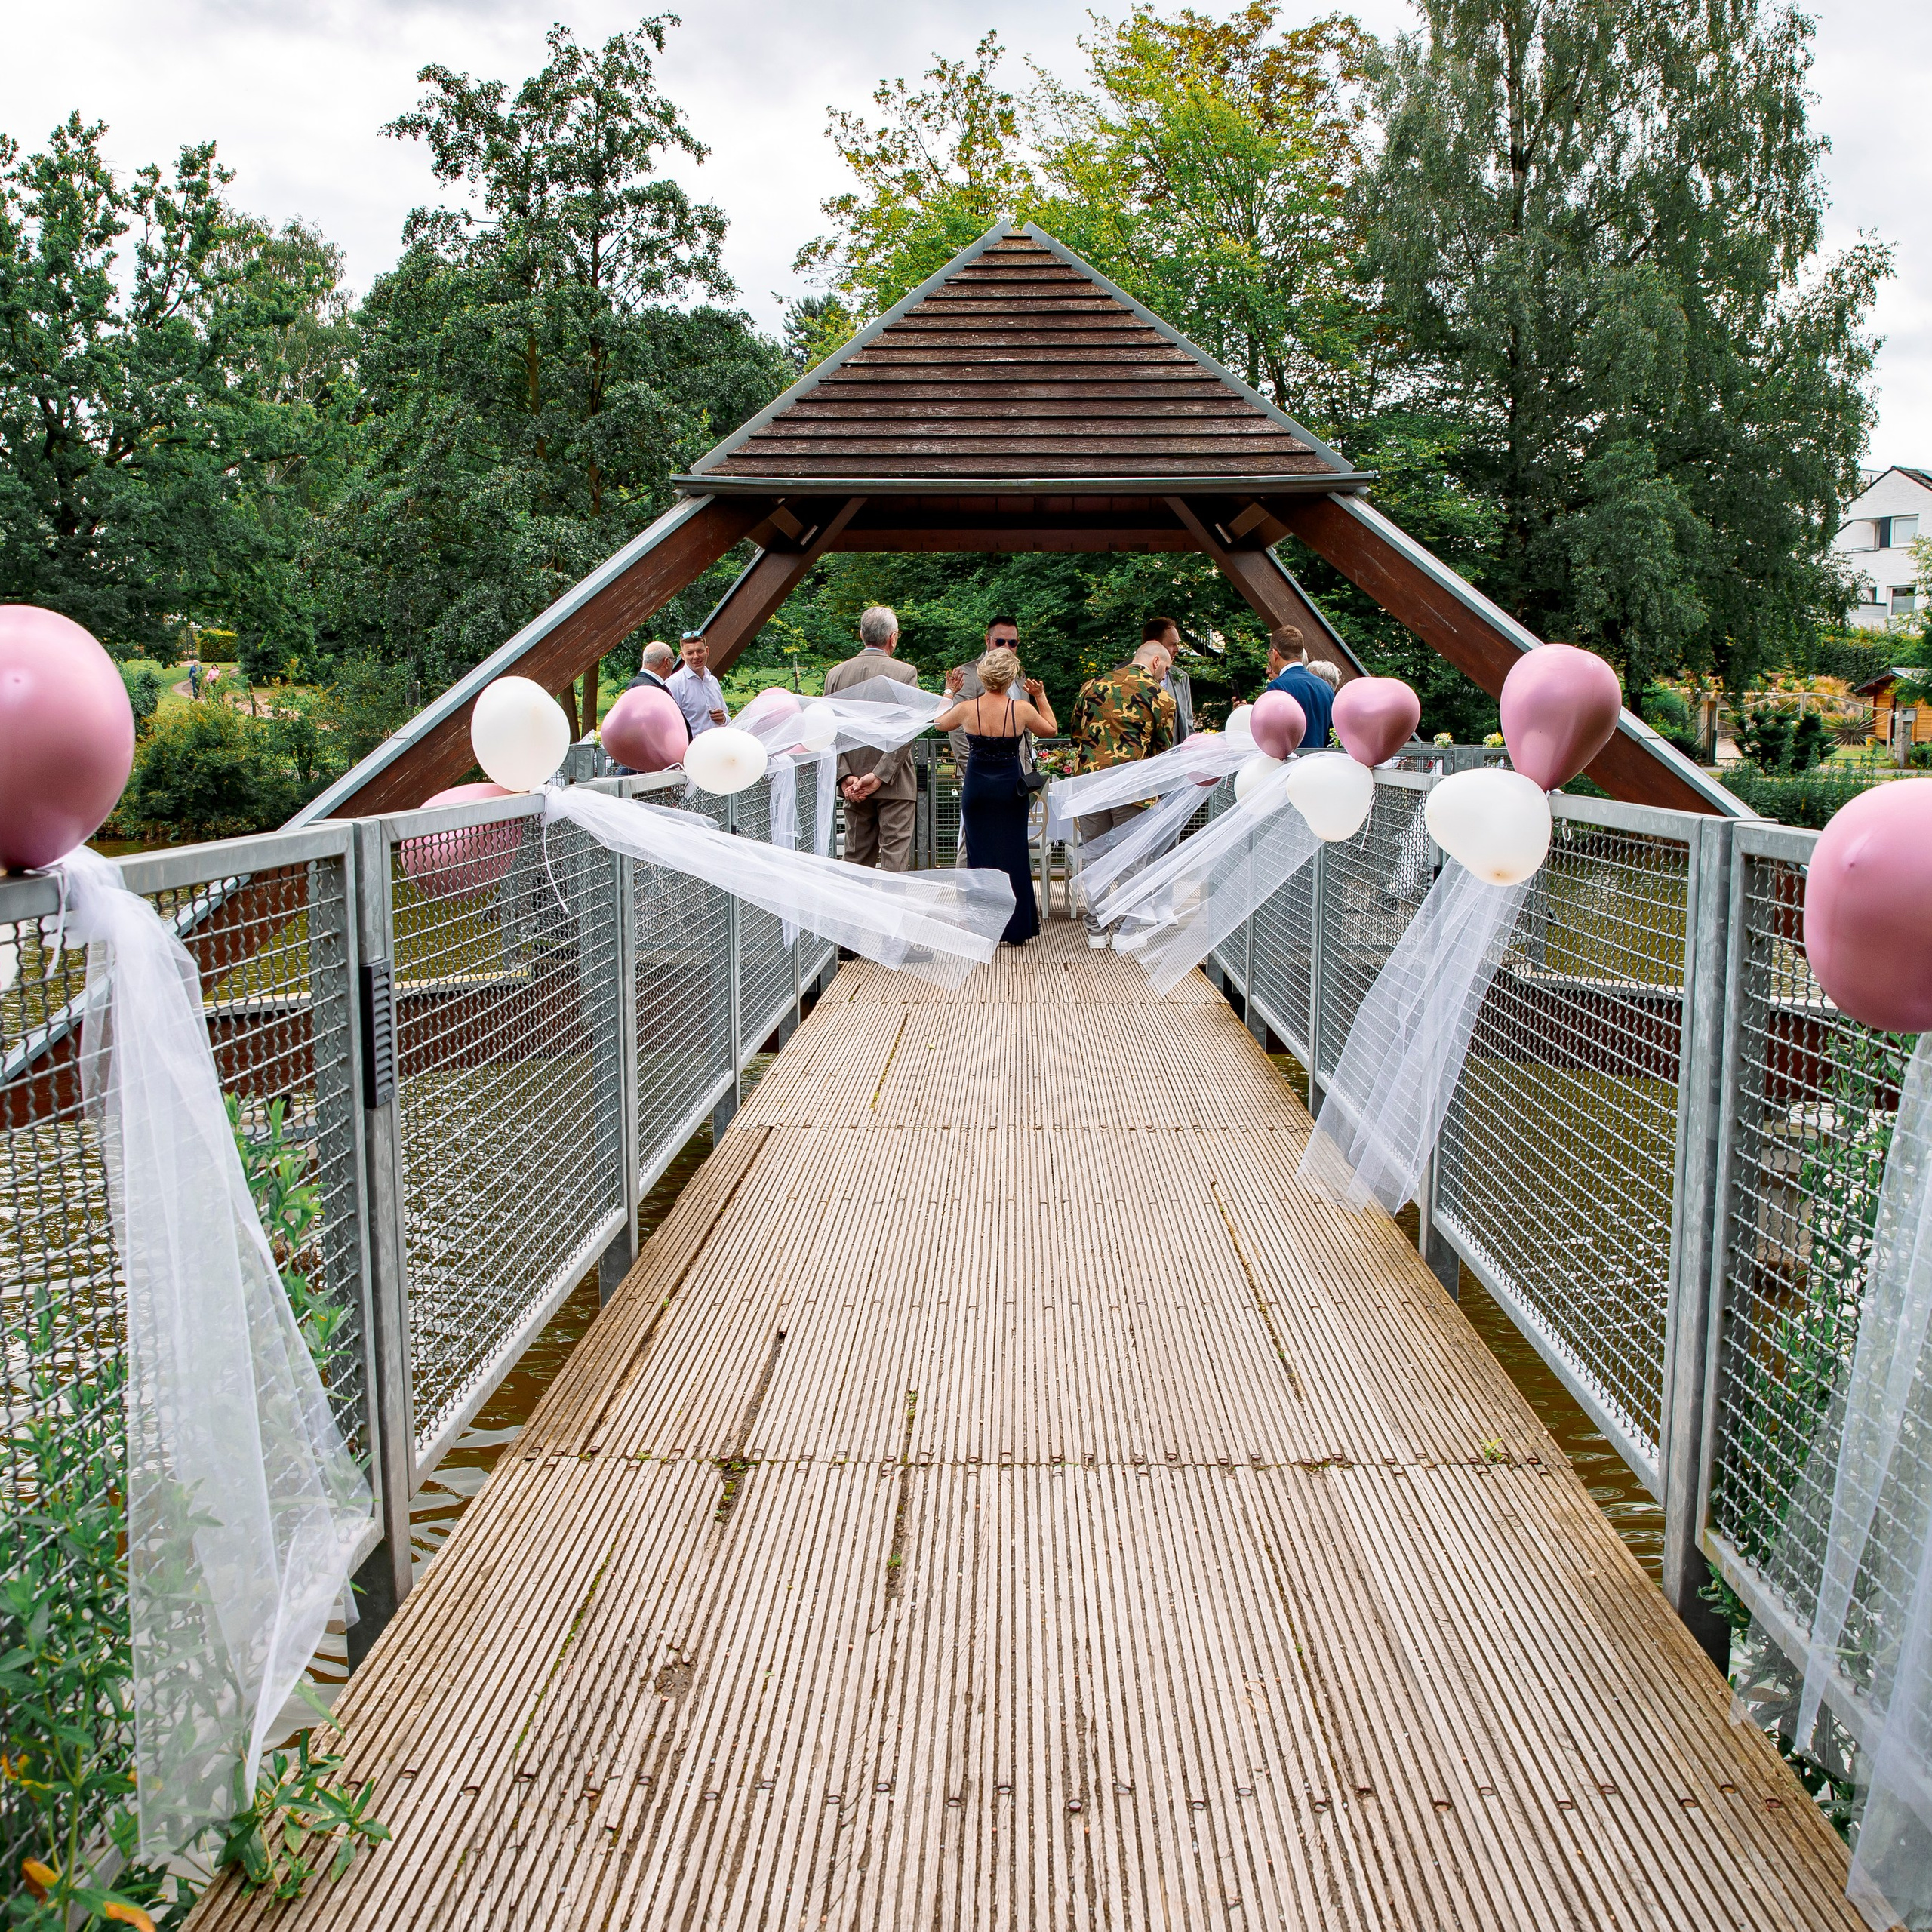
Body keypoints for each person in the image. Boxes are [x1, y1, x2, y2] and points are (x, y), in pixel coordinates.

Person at [935, 647, 1056, 946]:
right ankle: (1016, 928)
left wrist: (950, 691)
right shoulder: (1021, 709)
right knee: (1013, 854)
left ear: (983, 675)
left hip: (977, 789)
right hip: (1009, 791)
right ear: (1010, 677)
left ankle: (983, 926)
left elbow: (938, 722)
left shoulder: (967, 708)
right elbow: (1051, 730)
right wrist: (1040, 696)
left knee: (980, 857)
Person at [1069, 638, 1178, 946]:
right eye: (1166, 668)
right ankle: (1127, 930)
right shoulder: (1161, 697)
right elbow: (1161, 750)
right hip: (1134, 786)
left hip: (1089, 782)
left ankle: (1096, 929)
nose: (1164, 675)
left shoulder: (1091, 686)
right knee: (1133, 857)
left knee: (1095, 853)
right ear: (1156, 662)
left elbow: (1077, 732)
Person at [824, 605, 920, 872]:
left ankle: (852, 916)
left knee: (855, 862)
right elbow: (906, 730)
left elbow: (828, 729)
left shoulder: (836, 674)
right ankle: (890, 916)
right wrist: (880, 775)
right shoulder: (905, 673)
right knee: (894, 865)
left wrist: (844, 776)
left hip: (853, 785)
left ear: (861, 635)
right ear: (893, 638)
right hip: (895, 784)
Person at [945, 617, 1038, 863]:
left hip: (1015, 777)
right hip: (980, 773)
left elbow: (1027, 729)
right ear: (988, 640)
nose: (1007, 648)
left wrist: (1027, 769)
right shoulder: (968, 673)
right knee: (973, 840)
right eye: (1000, 641)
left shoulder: (1019, 675)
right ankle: (968, 898)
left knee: (1010, 840)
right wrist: (973, 770)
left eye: (1013, 643)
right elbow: (956, 731)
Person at [1263, 624, 1334, 749]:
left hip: (1290, 765)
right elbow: (1331, 735)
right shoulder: (1325, 687)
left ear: (1275, 654)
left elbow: (1272, 737)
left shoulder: (1278, 687)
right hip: (1320, 763)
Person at [667, 633, 729, 737]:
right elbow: (669, 724)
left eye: (700, 651)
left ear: (707, 651)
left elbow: (726, 716)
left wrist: (723, 719)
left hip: (718, 746)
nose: (696, 657)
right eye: (690, 653)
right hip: (692, 749)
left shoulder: (713, 681)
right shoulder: (675, 684)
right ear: (682, 656)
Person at [1143, 617, 1195, 737]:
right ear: (1155, 644)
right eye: (1172, 644)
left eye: (1177, 644)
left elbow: (1188, 724)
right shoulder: (1123, 673)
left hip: (1176, 754)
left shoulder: (1181, 677)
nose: (1177, 650)